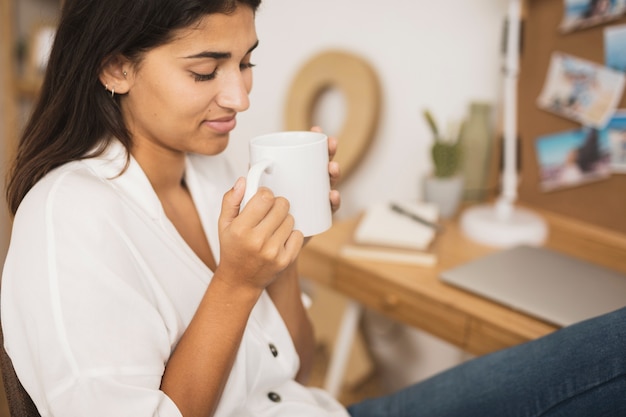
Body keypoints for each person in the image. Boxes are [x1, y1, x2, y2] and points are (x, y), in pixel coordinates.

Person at [1, 1, 625, 416]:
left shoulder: (212, 169)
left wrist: (285, 247)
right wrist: (236, 282)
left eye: (246, 62)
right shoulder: (68, 216)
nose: (240, 97)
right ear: (115, 66)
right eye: (205, 70)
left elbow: (296, 360)